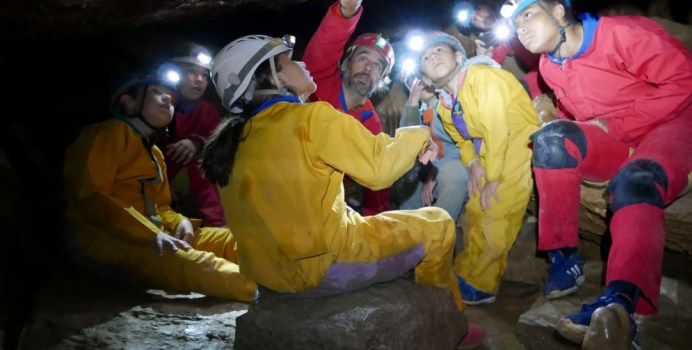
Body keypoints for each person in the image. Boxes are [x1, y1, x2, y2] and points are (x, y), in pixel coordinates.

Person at [200, 34, 484, 349]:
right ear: (271, 75)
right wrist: (419, 135)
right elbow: (380, 169)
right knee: (438, 223)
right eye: (290, 60)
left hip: (268, 276)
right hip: (323, 268)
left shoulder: (233, 139)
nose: (302, 63)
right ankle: (447, 318)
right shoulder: (312, 117)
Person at [504, 0, 692, 346]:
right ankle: (564, 258)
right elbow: (578, 116)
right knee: (551, 140)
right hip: (617, 138)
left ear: (558, 11)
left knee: (637, 180)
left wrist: (618, 125)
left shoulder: (620, 34)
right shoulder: (549, 66)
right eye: (515, 25)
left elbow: (687, 78)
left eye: (527, 14)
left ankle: (620, 306)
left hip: (674, 122)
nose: (520, 28)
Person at [62, 67, 256, 302]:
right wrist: (149, 235)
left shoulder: (153, 152)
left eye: (171, 98)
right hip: (106, 241)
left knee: (233, 239)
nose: (168, 99)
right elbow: (92, 197)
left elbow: (160, 208)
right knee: (195, 265)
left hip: (154, 235)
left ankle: (284, 272)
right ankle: (257, 290)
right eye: (156, 92)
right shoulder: (105, 134)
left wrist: (180, 221)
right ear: (129, 101)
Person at [415, 31, 541, 305]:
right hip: (489, 150)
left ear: (459, 57)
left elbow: (498, 127)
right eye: (426, 57)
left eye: (439, 51)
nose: (432, 56)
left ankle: (483, 283)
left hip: (519, 142)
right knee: (474, 212)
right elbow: (462, 140)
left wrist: (493, 177)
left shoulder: (481, 78)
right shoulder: (446, 107)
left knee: (496, 209)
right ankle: (465, 271)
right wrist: (473, 164)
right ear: (425, 77)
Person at [302, 0, 394, 216]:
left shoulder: (371, 121)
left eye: (378, 66)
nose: (369, 67)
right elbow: (324, 47)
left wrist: (378, 221)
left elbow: (375, 179)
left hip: (327, 203)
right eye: (363, 58)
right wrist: (346, 12)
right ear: (345, 63)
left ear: (380, 80)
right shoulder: (318, 83)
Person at [157, 43, 227, 227]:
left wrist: (197, 143)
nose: (199, 80)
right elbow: (142, 150)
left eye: (204, 75)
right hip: (159, 185)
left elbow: (220, 147)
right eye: (191, 72)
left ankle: (218, 225)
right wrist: (159, 186)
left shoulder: (207, 111)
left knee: (202, 163)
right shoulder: (157, 108)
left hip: (195, 189)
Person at [398, 78, 469, 225]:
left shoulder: (448, 105)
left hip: (456, 164)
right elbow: (406, 140)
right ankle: (407, 231)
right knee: (407, 175)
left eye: (421, 78)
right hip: (430, 168)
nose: (418, 84)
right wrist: (412, 101)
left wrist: (433, 176)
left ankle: (438, 232)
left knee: (453, 174)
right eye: (410, 81)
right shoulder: (420, 112)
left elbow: (462, 144)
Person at [471, 1, 549, 99]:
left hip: (554, 51)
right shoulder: (495, 40)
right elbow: (496, 61)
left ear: (487, 4)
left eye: (479, 10)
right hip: (542, 70)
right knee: (521, 89)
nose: (480, 18)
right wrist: (484, 60)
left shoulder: (513, 7)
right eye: (474, 19)